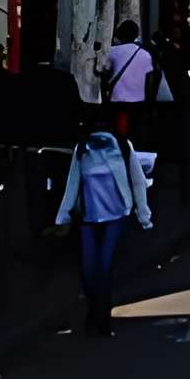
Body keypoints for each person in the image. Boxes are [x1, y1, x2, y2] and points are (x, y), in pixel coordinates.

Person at [52, 122, 151, 332]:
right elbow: (73, 182)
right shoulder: (82, 150)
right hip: (90, 217)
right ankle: (93, 312)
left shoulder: (123, 147)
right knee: (89, 269)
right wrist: (63, 215)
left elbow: (137, 181)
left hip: (116, 215)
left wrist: (143, 214)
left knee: (103, 266)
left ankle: (102, 320)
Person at [101, 21, 155, 135]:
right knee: (136, 129)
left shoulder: (112, 52)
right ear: (136, 35)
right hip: (139, 98)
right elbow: (149, 80)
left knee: (119, 129)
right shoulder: (145, 54)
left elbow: (105, 72)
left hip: (117, 97)